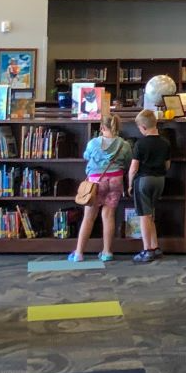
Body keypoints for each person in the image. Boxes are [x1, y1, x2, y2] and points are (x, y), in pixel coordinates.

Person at [69, 112, 131, 263]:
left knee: (89, 217)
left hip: (96, 182)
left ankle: (78, 253)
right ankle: (107, 252)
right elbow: (128, 161)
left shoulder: (93, 143)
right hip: (116, 180)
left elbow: (86, 156)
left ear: (102, 127)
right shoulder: (124, 144)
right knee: (108, 216)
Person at [127, 109, 168, 264]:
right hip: (160, 180)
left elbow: (134, 167)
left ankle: (147, 250)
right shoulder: (165, 143)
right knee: (151, 214)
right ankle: (155, 246)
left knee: (144, 216)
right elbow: (167, 164)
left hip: (143, 180)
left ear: (143, 127)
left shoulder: (140, 144)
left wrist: (130, 184)